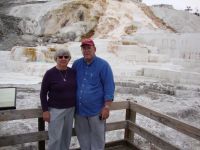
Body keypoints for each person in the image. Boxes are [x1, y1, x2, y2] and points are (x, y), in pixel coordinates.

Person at [72, 38, 115, 150]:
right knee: (83, 139)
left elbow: (109, 87)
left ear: (94, 49)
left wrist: (107, 107)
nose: (86, 50)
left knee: (98, 140)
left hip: (96, 111)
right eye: (84, 48)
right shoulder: (76, 64)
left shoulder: (103, 65)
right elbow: (70, 84)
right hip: (79, 111)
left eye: (89, 48)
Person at [40, 48, 76, 150]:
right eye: (60, 57)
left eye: (66, 57)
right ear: (56, 58)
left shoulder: (73, 72)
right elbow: (43, 93)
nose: (63, 59)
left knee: (66, 136)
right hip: (55, 110)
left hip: (71, 109)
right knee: (55, 138)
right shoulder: (50, 73)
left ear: (69, 59)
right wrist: (45, 111)